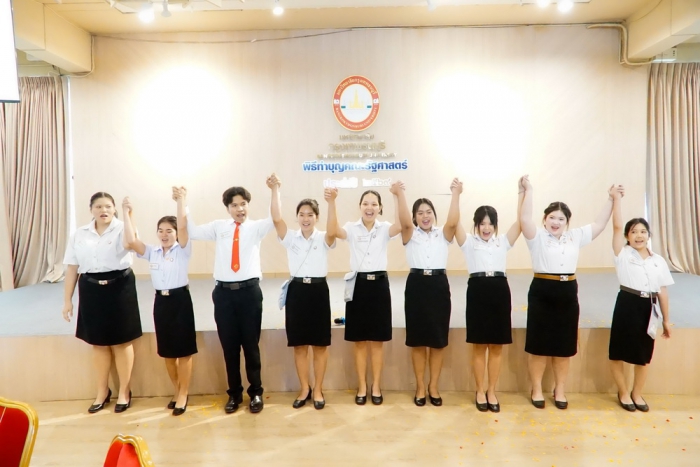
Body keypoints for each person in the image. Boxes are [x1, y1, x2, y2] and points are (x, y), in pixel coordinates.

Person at [520, 178, 621, 410]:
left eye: (561, 219)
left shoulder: (574, 236)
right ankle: (536, 388)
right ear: (544, 219)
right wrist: (529, 191)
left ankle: (560, 389)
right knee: (538, 345)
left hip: (567, 292)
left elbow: (599, 223)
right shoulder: (536, 237)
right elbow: (524, 219)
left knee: (564, 345)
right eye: (552, 217)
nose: (556, 222)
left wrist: (610, 198)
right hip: (542, 291)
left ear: (567, 222)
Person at [177, 180, 274, 414]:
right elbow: (191, 230)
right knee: (229, 347)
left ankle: (256, 393)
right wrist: (182, 201)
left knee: (251, 346)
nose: (240, 209)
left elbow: (276, 218)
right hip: (223, 294)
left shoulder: (257, 227)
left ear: (248, 205)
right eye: (234, 205)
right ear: (228, 208)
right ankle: (234, 394)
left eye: (243, 204)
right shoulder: (219, 227)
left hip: (250, 293)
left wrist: (274, 190)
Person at [62, 192, 142, 414]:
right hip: (91, 288)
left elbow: (131, 242)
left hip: (120, 287)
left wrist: (128, 213)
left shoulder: (123, 227)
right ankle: (102, 391)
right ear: (91, 209)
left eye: (108, 206)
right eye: (98, 206)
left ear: (114, 209)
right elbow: (72, 268)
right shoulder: (79, 234)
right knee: (98, 342)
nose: (103, 210)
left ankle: (124, 391)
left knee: (122, 342)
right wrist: (67, 300)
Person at [456, 176, 528, 412]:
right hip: (477, 291)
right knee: (479, 346)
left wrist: (522, 192)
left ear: (495, 225)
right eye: (482, 224)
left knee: (496, 346)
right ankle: (479, 390)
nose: (486, 228)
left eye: (490, 224)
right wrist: (456, 194)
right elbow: (454, 222)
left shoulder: (502, 242)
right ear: (476, 225)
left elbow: (521, 222)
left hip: (499, 291)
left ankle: (492, 391)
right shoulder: (468, 242)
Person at [122, 195, 197, 416]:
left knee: (184, 351)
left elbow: (183, 226)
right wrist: (127, 212)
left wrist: (180, 201)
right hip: (161, 303)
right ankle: (177, 390)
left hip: (181, 301)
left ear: (176, 233)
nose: (164, 235)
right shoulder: (152, 252)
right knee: (167, 352)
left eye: (169, 231)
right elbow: (131, 240)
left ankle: (183, 393)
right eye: (160, 231)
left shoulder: (183, 249)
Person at [330, 185, 403, 405]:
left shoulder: (385, 228)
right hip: (358, 286)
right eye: (365, 204)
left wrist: (396, 196)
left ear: (380, 208)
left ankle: (376, 386)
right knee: (360, 341)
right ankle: (362, 386)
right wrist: (332, 201)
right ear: (360, 206)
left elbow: (401, 225)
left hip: (379, 286)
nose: (369, 207)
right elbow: (333, 231)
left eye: (374, 204)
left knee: (378, 341)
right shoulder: (351, 228)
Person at [268, 174, 336, 410]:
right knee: (299, 345)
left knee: (319, 345)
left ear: (316, 217)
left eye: (310, 215)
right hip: (296, 292)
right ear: (297, 217)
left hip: (318, 292)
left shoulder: (324, 237)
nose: (305, 219)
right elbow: (276, 218)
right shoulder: (290, 238)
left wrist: (331, 202)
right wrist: (275, 189)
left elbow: (333, 229)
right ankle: (304, 388)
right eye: (302, 214)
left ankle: (318, 389)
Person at [395, 179, 462, 407]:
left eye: (429, 212)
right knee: (417, 341)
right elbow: (404, 222)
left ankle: (433, 386)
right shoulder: (409, 233)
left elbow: (453, 222)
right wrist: (399, 194)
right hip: (416, 286)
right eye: (420, 213)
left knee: (437, 341)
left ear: (434, 214)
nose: (425, 216)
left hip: (438, 286)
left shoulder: (442, 234)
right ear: (415, 217)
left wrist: (456, 193)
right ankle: (420, 387)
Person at [608, 190, 672, 412]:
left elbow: (662, 291)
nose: (638, 235)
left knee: (644, 355)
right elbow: (616, 227)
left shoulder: (658, 260)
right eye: (634, 231)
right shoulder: (622, 254)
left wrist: (666, 320)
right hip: (627, 303)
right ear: (627, 236)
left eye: (643, 231)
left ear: (649, 235)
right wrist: (617, 200)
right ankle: (623, 392)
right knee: (617, 352)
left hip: (649, 308)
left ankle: (637, 393)